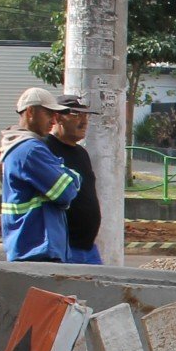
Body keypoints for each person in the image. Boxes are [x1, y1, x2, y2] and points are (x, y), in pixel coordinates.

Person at [0, 87, 79, 262]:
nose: (54, 120)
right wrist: (71, 175)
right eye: (49, 114)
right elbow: (66, 192)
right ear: (30, 112)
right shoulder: (30, 150)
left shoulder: (21, 147)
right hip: (37, 249)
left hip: (29, 247)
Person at [45, 93, 103, 264]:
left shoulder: (81, 153)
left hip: (88, 248)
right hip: (64, 247)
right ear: (57, 117)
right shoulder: (44, 149)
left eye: (85, 115)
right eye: (76, 115)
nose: (84, 121)